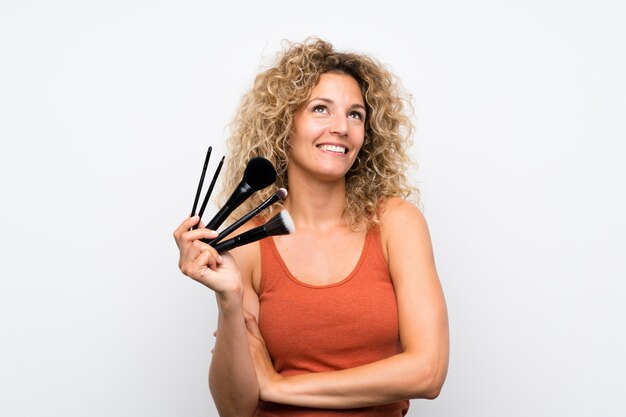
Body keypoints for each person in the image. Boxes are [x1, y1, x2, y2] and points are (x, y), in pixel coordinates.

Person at [173, 38, 449, 417]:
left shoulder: (396, 223)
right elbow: (236, 409)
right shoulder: (251, 241)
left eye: (356, 115)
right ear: (284, 123)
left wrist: (279, 386)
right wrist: (229, 299)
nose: (341, 127)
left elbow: (428, 373)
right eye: (321, 109)